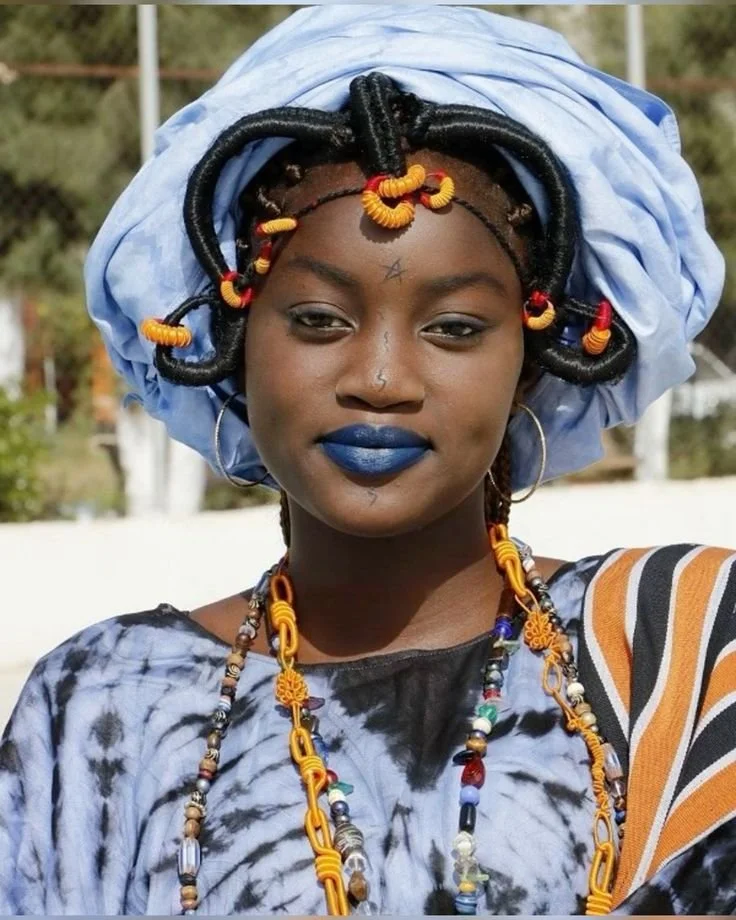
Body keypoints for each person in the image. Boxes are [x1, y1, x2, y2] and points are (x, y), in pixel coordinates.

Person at [1, 6, 734, 916]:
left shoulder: (677, 652)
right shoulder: (105, 708)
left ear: (530, 362)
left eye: (456, 327)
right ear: (235, 339)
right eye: (317, 320)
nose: (381, 378)